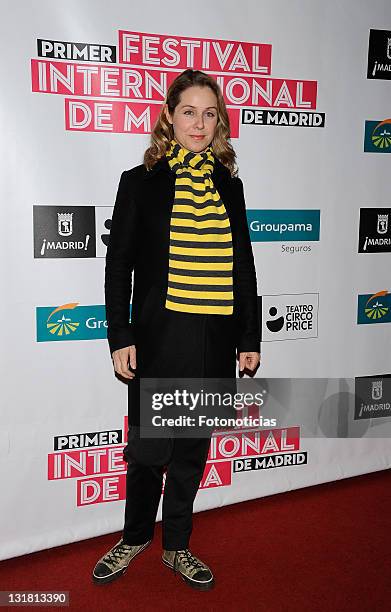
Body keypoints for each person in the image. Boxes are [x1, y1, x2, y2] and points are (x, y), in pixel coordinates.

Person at [92, 69, 261, 590]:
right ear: (169, 116)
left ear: (220, 122)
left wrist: (249, 340)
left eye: (210, 113)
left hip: (214, 340)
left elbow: (244, 266)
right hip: (159, 339)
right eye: (189, 111)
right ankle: (134, 535)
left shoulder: (229, 186)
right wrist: (120, 335)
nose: (200, 122)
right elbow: (119, 264)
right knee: (147, 450)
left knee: (191, 450)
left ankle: (178, 545)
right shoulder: (139, 182)